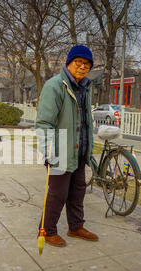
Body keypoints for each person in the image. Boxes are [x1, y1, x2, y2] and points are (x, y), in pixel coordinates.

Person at [35, 45, 99, 247]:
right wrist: (48, 151)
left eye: (86, 64)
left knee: (78, 191)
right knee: (58, 193)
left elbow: (86, 121)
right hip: (60, 150)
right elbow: (44, 122)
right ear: (69, 63)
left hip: (79, 150)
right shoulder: (55, 86)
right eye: (78, 62)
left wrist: (88, 149)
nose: (82, 67)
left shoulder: (85, 88)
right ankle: (47, 231)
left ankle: (75, 226)